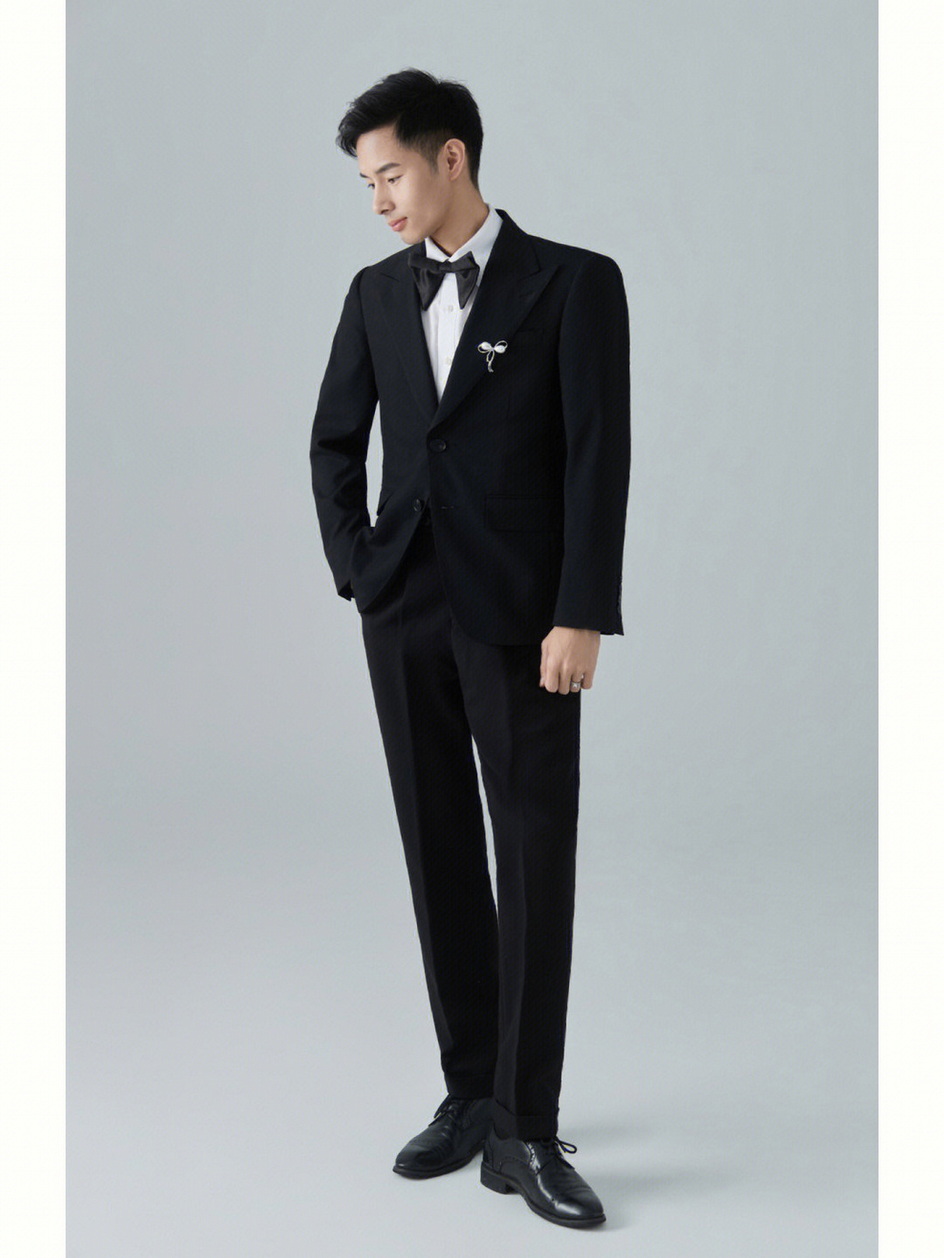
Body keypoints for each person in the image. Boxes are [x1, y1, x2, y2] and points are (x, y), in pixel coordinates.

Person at [309, 68, 630, 1229]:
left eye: (389, 174)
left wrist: (579, 610)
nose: (378, 201)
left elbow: (597, 455)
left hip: (526, 618)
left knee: (532, 857)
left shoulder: (573, 284)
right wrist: (361, 571)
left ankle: (526, 1127)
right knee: (436, 845)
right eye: (366, 184)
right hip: (405, 610)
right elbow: (333, 441)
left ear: (451, 157)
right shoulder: (371, 293)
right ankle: (468, 1091)